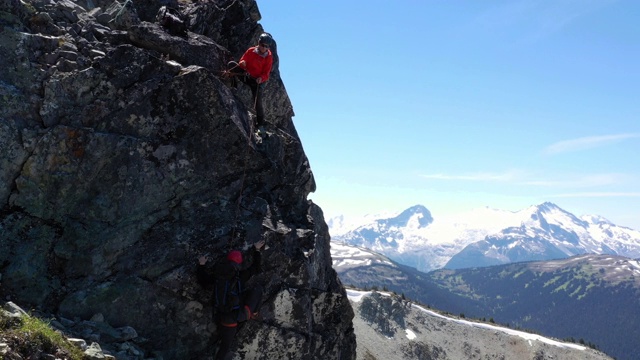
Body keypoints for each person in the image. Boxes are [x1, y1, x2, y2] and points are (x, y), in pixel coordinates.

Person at [197, 239, 265, 360]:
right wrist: (257, 250)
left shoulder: (218, 277)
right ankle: (254, 313)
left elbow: (203, 281)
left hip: (220, 315)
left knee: (224, 343)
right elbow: (256, 268)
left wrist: (201, 265)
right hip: (232, 318)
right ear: (239, 264)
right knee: (258, 289)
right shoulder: (239, 277)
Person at [226, 33, 274, 130]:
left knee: (258, 104)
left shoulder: (268, 57)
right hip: (247, 76)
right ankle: (234, 86)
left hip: (257, 82)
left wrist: (261, 78)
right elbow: (242, 60)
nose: (264, 48)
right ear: (259, 43)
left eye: (267, 46)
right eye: (263, 45)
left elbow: (266, 74)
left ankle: (260, 125)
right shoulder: (251, 51)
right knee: (231, 65)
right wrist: (242, 63)